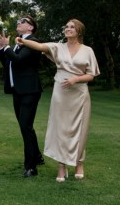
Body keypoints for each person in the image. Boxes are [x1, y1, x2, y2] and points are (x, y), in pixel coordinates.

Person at [16, 19, 100, 182]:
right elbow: (40, 47)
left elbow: (91, 74)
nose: (68, 29)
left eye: (72, 27)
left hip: (79, 94)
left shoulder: (87, 50)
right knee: (60, 129)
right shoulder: (58, 47)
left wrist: (76, 80)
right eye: (66, 27)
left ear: (79, 31)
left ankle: (78, 163)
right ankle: (61, 167)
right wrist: (23, 41)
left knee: (79, 130)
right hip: (61, 93)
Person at [0, 16, 44, 178]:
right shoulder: (18, 43)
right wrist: (2, 49)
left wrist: (7, 47)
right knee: (25, 126)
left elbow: (20, 60)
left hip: (30, 90)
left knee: (25, 127)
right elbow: (10, 63)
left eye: (23, 21)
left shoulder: (33, 42)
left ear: (30, 28)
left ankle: (31, 167)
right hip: (18, 91)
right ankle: (37, 156)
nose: (19, 23)